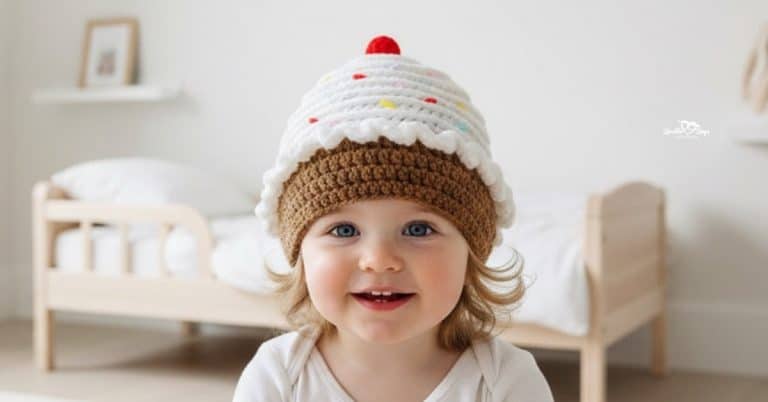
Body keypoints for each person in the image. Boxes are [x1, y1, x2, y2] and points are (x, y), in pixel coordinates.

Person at [233, 35, 554, 402]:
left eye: (418, 229)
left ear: (471, 252)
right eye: (344, 229)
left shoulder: (505, 381)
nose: (379, 259)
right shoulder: (278, 376)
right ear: (300, 253)